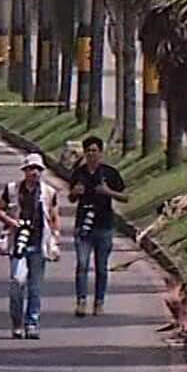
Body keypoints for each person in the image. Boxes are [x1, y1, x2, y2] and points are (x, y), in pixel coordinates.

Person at [0, 154, 62, 340]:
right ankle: (17, 322)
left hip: (39, 243)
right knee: (17, 283)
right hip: (18, 244)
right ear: (24, 171)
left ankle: (32, 323)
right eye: (31, 169)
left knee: (35, 288)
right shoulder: (12, 190)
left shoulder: (49, 192)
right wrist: (11, 221)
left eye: (38, 169)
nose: (34, 173)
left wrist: (56, 241)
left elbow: (55, 217)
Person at [67, 135, 131, 317]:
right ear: (85, 153)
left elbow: (126, 197)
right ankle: (81, 302)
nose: (92, 154)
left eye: (95, 151)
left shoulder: (109, 173)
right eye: (88, 151)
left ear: (101, 153)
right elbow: (71, 197)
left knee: (101, 267)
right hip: (83, 225)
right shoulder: (79, 173)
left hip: (104, 224)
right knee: (82, 264)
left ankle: (99, 302)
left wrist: (107, 191)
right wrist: (75, 193)